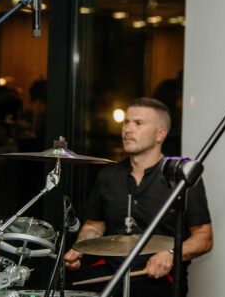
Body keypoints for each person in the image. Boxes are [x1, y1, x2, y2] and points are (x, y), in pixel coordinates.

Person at [65, 97, 213, 296]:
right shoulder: (108, 175)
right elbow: (94, 226)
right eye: (126, 122)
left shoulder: (181, 176)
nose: (128, 129)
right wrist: (81, 247)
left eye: (138, 123)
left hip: (159, 281)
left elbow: (204, 238)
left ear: (160, 134)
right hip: (112, 276)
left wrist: (171, 254)